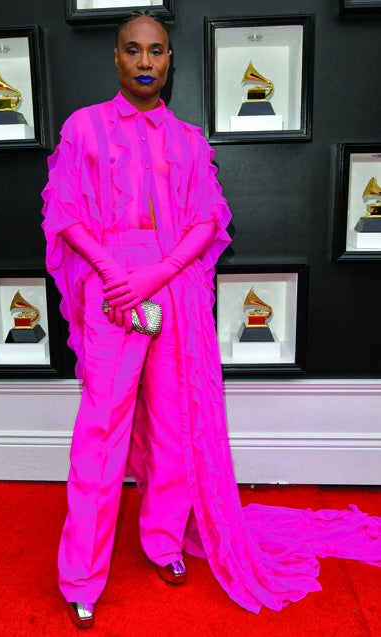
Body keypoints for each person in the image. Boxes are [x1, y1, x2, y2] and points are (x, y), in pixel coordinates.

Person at [42, 11, 381, 631]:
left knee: (175, 426)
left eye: (156, 52)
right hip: (109, 284)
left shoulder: (189, 141)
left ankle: (163, 542)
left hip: (171, 287)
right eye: (132, 50)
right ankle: (81, 576)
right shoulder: (83, 129)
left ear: (170, 61)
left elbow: (206, 220)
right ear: (115, 58)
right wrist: (117, 272)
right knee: (101, 431)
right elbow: (64, 212)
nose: (145, 62)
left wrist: (155, 272)